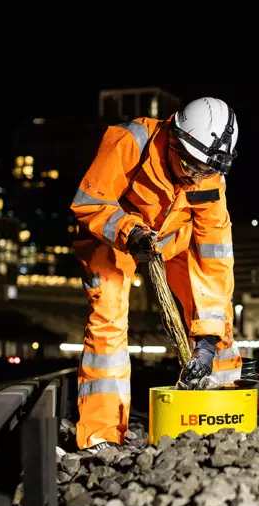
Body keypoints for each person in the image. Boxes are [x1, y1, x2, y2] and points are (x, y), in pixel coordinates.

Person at [70, 97, 241, 450]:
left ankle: (225, 418)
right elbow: (90, 202)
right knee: (108, 317)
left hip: (173, 240)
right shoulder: (131, 141)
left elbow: (215, 259)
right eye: (190, 167)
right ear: (175, 141)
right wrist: (130, 232)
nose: (195, 177)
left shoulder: (208, 176)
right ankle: (101, 436)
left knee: (214, 316)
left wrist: (206, 341)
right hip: (115, 236)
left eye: (203, 171)